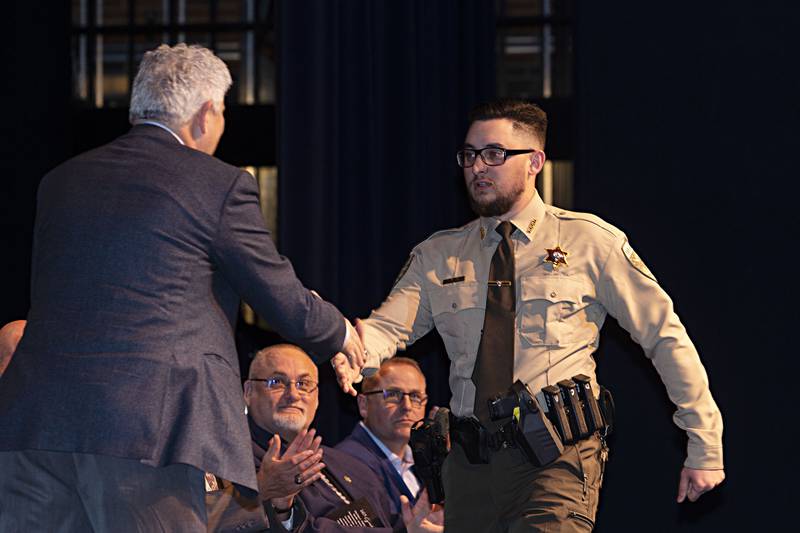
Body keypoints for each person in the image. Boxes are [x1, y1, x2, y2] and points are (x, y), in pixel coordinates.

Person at [0, 44, 364, 532]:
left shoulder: (61, 181)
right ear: (206, 112)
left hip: (33, 424)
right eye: (223, 113)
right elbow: (277, 292)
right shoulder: (216, 183)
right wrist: (339, 333)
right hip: (142, 433)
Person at [333, 99, 725, 532]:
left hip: (557, 455)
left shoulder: (590, 242)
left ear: (535, 161)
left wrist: (704, 442)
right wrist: (353, 350)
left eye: (495, 154)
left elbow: (663, 336)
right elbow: (387, 328)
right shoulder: (438, 255)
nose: (478, 167)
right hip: (470, 464)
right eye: (469, 155)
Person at [206, 344, 441, 532]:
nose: (293, 394)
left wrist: (414, 527)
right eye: (277, 382)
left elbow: (390, 522)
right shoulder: (223, 458)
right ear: (248, 392)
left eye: (304, 384)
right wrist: (265, 491)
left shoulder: (348, 464)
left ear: (317, 397)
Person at [335, 357, 427, 525]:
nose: (407, 406)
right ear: (363, 405)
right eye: (392, 395)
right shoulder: (346, 463)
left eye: (415, 396)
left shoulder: (424, 461)